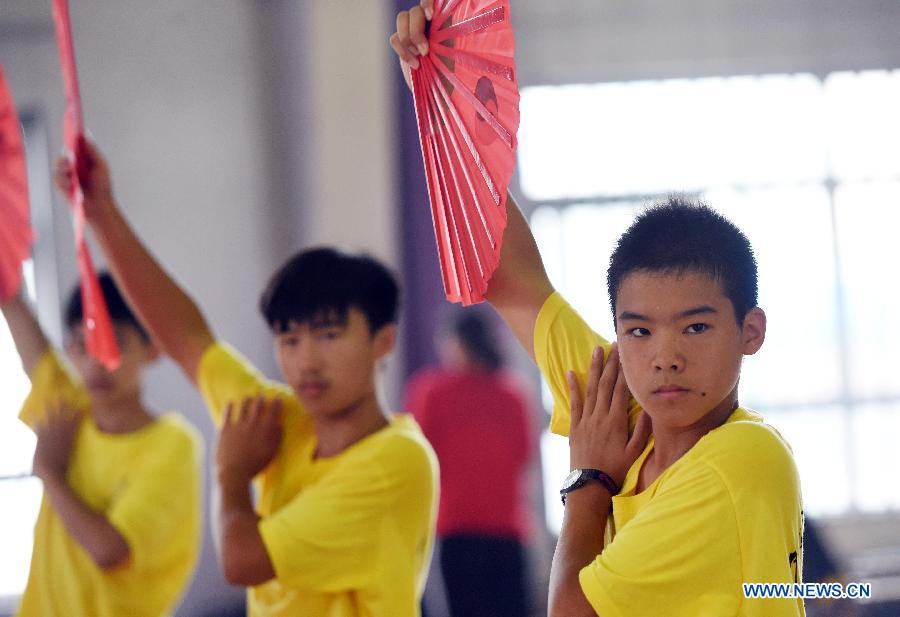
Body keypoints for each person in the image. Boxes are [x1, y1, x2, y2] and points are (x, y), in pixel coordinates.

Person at [391, 4, 804, 615]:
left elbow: (570, 612)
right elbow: (511, 279)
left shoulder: (739, 460)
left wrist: (588, 480)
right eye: (639, 331)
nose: (664, 356)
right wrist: (440, 91)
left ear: (751, 331)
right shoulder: (620, 405)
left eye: (695, 326)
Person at [56, 139, 439, 617]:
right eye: (289, 339)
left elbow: (243, 561)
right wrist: (102, 214)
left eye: (329, 334)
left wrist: (231, 474)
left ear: (383, 341)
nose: (306, 361)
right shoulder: (281, 420)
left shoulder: (394, 462)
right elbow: (189, 340)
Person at [1, 273, 201, 617]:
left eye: (113, 344)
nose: (95, 363)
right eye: (81, 344)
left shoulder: (172, 445)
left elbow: (110, 551)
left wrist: (50, 473)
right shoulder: (70, 411)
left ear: (152, 348)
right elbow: (13, 304)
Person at [405, 308, 534, 617]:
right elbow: (523, 456)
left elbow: (416, 461)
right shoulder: (514, 395)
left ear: (456, 344)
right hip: (507, 531)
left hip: (455, 529)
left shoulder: (431, 392)